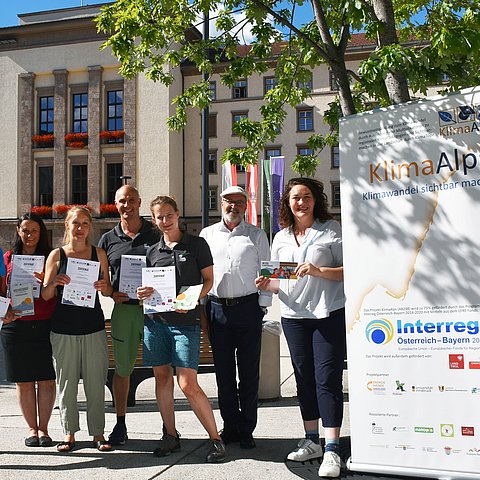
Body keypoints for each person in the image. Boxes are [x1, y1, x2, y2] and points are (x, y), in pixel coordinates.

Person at [256, 178, 346, 478]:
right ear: (288, 203)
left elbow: (350, 269)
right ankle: (311, 440)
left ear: (315, 200)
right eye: (295, 198)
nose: (301, 202)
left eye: (306, 196)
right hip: (294, 317)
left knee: (327, 380)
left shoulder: (331, 230)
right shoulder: (280, 237)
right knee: (304, 380)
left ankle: (332, 448)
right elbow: (281, 280)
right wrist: (268, 284)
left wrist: (319, 270)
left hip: (327, 314)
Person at [137, 195, 225, 463]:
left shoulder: (196, 244)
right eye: (159, 217)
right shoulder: (151, 251)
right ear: (154, 220)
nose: (165, 220)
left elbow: (208, 280)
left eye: (169, 215)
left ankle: (215, 439)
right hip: (156, 323)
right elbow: (147, 289)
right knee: (162, 379)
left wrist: (192, 299)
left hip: (185, 324)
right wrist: (143, 293)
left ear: (178, 215)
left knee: (187, 383)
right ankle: (171, 436)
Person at [199, 186, 271, 449]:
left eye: (239, 202)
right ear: (221, 203)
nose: (234, 206)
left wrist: (262, 307)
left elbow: (267, 270)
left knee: (250, 374)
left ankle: (247, 428)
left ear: (246, 206)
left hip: (248, 309)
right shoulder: (207, 235)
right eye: (229, 201)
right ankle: (230, 426)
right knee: (224, 374)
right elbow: (203, 275)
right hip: (217, 310)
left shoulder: (256, 235)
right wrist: (203, 309)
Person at [42, 206, 113, 453]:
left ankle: (98, 433)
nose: (80, 228)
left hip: (93, 326)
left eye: (85, 223)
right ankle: (69, 433)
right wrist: (55, 281)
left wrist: (104, 286)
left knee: (96, 383)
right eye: (76, 223)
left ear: (89, 227)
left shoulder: (98, 253)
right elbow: (45, 294)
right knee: (67, 384)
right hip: (63, 329)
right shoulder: (57, 255)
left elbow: (109, 290)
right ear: (67, 226)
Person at [98, 185, 160, 445]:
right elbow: (102, 282)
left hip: (155, 311)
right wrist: (112, 293)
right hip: (124, 311)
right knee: (122, 370)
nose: (127, 205)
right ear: (116, 204)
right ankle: (120, 425)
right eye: (122, 201)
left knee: (162, 369)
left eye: (131, 200)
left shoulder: (156, 234)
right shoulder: (107, 240)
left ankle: (168, 429)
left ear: (139, 202)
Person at [0, 213, 57, 448]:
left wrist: (48, 281)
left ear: (41, 232)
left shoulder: (51, 258)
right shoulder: (7, 258)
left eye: (34, 230)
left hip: (45, 323)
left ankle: (44, 428)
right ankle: (31, 429)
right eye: (25, 230)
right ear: (18, 230)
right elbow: (1, 292)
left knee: (46, 379)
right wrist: (5, 311)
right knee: (23, 381)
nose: (30, 235)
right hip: (15, 326)